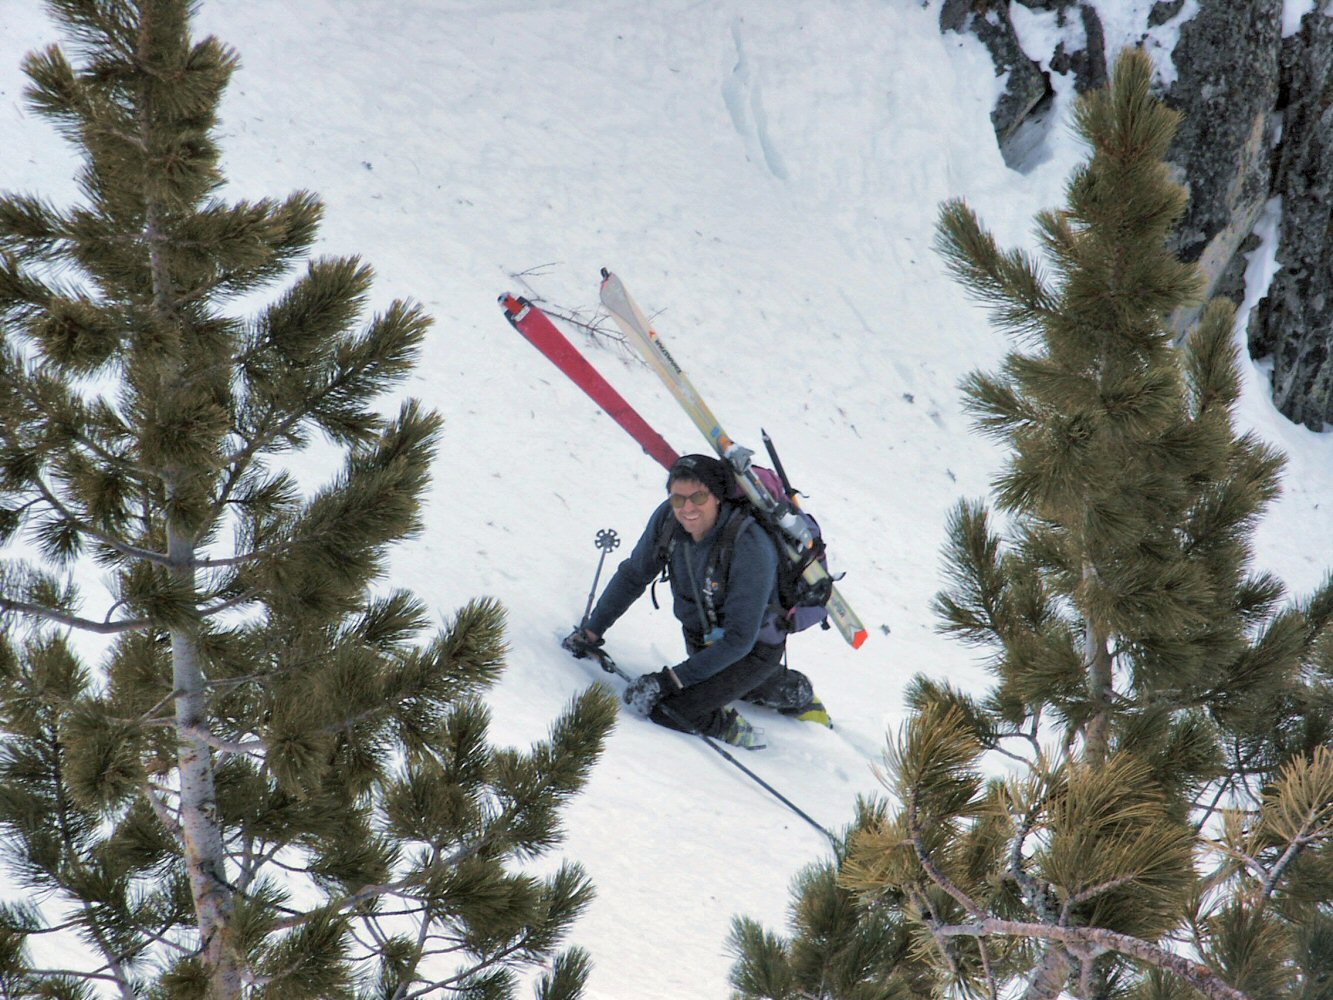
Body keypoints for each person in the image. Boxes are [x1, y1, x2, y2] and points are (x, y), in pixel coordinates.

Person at [565, 453, 823, 748]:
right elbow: (633, 575)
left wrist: (668, 681)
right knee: (712, 680)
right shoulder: (667, 521)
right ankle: (760, 687)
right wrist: (592, 631)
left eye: (698, 497)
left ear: (717, 497)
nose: (687, 508)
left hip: (753, 648)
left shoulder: (750, 546)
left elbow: (739, 640)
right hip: (703, 632)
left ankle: (770, 708)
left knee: (673, 711)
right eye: (678, 499)